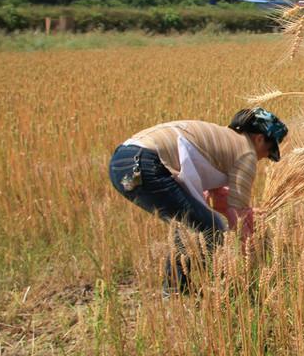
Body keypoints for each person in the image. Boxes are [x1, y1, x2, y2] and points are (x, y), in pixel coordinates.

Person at [109, 107, 288, 293]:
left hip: (121, 162)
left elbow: (215, 199)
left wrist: (246, 211)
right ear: (259, 138)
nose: (266, 156)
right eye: (270, 149)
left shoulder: (224, 142)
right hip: (146, 164)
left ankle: (177, 288)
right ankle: (213, 287)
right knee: (210, 228)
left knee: (190, 223)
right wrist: (249, 261)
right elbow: (238, 218)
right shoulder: (246, 152)